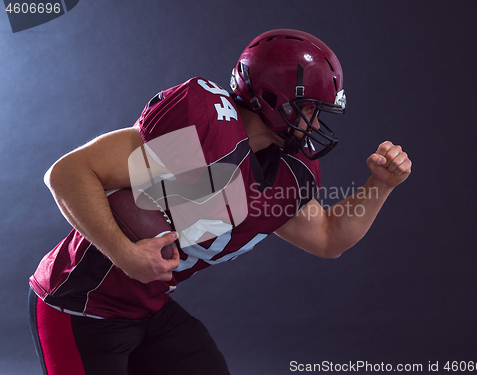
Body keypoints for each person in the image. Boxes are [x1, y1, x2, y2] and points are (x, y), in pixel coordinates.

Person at [28, 29, 411, 375]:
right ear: (275, 98)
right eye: (310, 108)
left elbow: (328, 239)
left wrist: (381, 185)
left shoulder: (288, 171)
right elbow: (67, 173)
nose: (315, 123)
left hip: (147, 309)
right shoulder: (204, 132)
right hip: (79, 304)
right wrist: (124, 254)